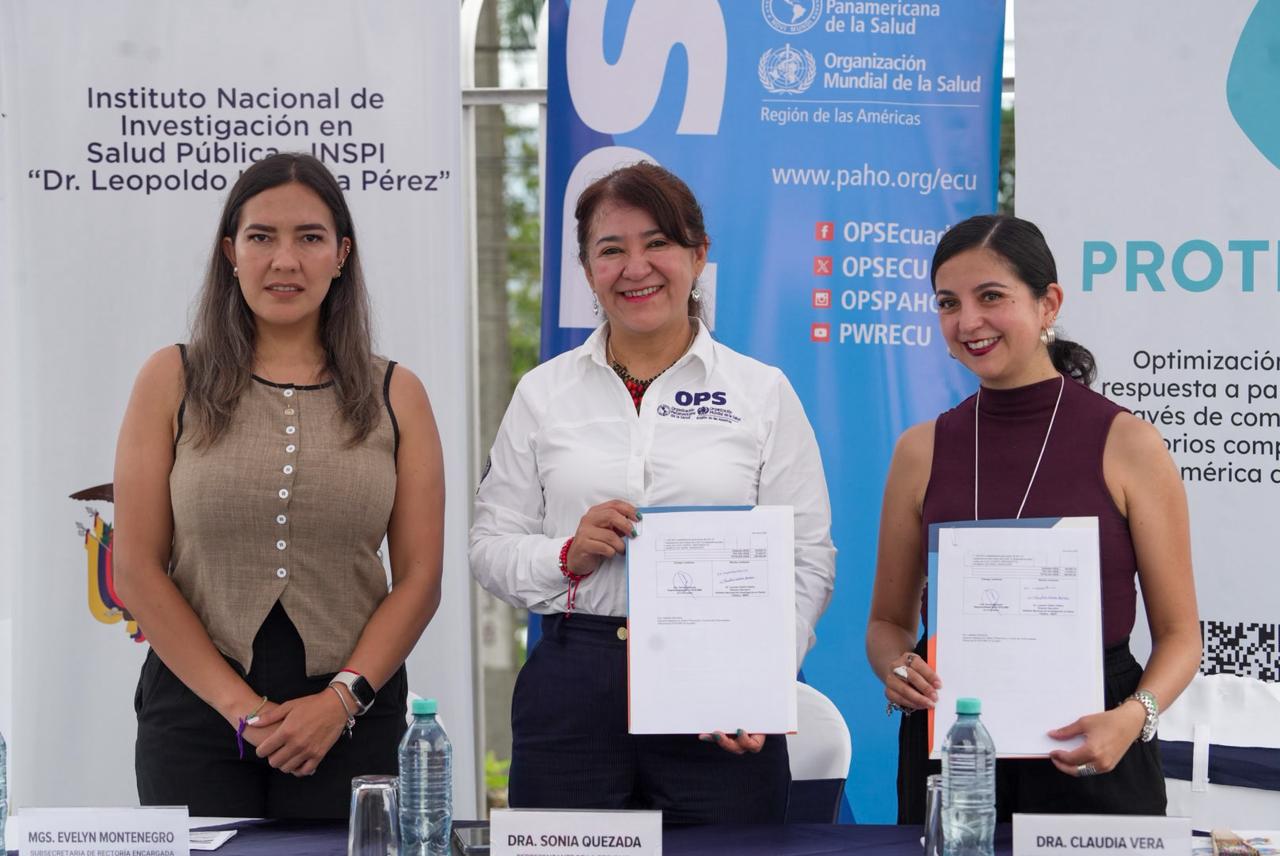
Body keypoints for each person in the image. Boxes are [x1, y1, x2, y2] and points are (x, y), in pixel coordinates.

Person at [470, 162, 836, 824]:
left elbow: (806, 559)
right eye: (611, 250)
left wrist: (756, 682)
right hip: (573, 683)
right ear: (587, 271)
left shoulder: (762, 393)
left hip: (719, 685)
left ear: (698, 255)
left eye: (658, 243)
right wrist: (565, 555)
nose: (635, 267)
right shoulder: (543, 393)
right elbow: (488, 548)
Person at [113, 153, 445, 819]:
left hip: (353, 718)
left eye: (310, 238)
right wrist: (245, 712)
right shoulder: (170, 378)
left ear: (341, 255)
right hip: (194, 716)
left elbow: (419, 579)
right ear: (231, 251)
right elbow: (138, 568)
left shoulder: (396, 393)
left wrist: (341, 700)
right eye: (262, 237)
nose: (285, 260)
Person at [866, 214, 1200, 821]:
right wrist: (897, 668)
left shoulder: (1127, 444)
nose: (968, 322)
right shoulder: (922, 450)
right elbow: (887, 621)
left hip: (1095, 745)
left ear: (1049, 304)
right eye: (948, 302)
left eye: (991, 296)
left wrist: (1133, 719)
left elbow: (1181, 637)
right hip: (955, 754)